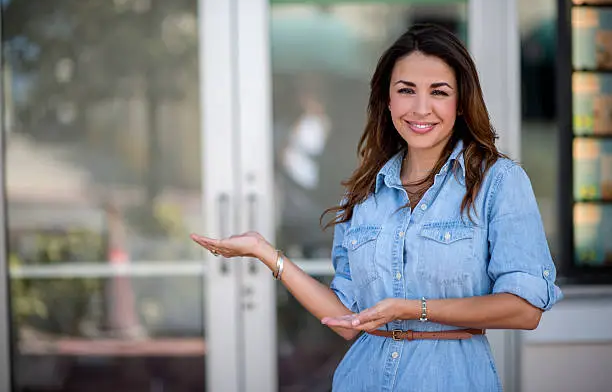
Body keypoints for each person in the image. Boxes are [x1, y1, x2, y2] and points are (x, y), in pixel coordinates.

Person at [191, 23, 563, 392]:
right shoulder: (364, 193)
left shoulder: (498, 182)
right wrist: (266, 253)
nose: (421, 108)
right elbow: (346, 320)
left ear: (461, 102)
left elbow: (524, 310)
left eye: (438, 92)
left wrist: (413, 309)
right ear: (388, 100)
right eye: (406, 90)